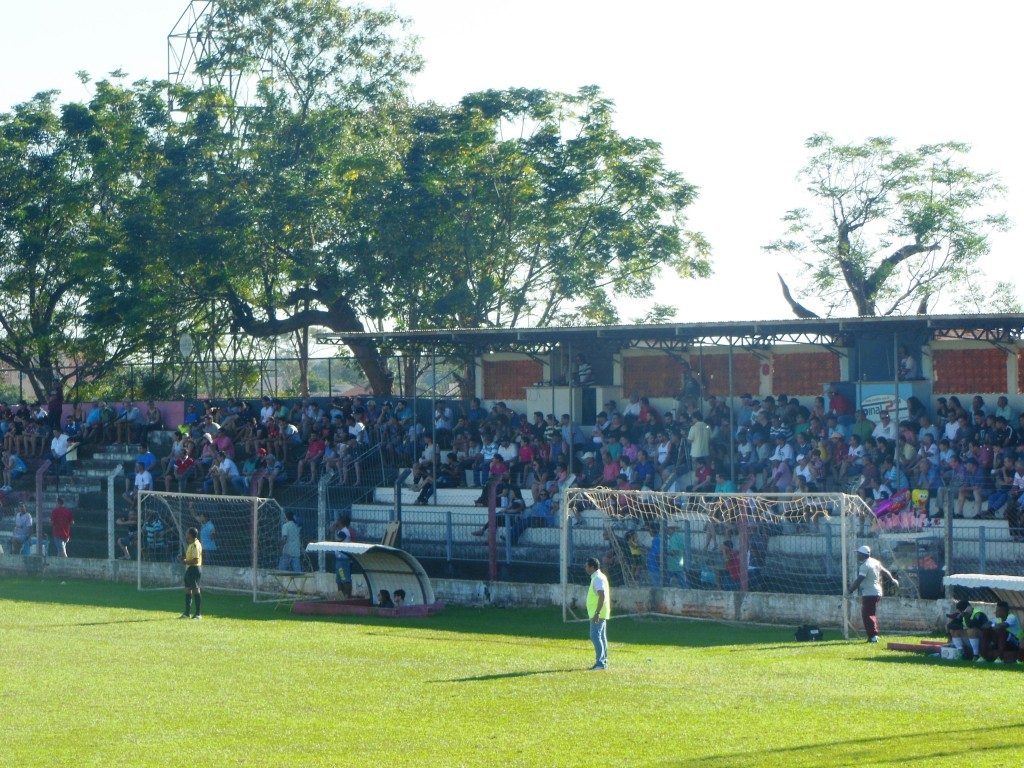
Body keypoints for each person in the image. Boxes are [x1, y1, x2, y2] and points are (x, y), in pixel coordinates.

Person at [847, 545, 897, 643]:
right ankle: (874, 635)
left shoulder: (865, 565)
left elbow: (859, 580)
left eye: (858, 554)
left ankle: (873, 636)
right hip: (877, 592)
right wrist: (892, 579)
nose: (857, 556)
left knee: (867, 615)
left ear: (862, 555)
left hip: (870, 593)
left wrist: (850, 590)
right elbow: (885, 571)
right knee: (871, 613)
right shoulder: (875, 562)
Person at [584, 556, 610, 670]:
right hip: (601, 611)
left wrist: (597, 612)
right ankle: (603, 661)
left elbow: (602, 595)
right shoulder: (599, 576)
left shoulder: (598, 578)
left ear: (592, 567)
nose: (585, 568)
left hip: (598, 612)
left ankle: (600, 663)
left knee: (595, 636)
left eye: (587, 566)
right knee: (601, 636)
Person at [180, 527, 203, 620]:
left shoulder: (195, 545)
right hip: (189, 569)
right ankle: (187, 613)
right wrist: (183, 559)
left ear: (190, 534)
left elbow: (195, 560)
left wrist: (185, 561)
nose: (186, 534)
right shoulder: (191, 544)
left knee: (195, 590)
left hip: (194, 569)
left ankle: (198, 614)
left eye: (187, 533)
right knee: (188, 589)